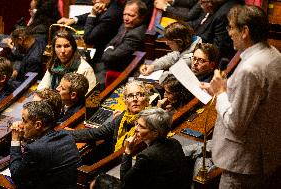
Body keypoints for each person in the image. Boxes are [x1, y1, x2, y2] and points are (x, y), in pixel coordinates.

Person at [200, 5, 281, 188]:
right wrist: (221, 89)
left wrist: (221, 93)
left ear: (244, 31)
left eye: (231, 27)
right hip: (264, 156)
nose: (229, 33)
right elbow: (258, 98)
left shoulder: (250, 69)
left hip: (243, 164)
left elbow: (236, 124)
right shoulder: (273, 54)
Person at [9, 101, 81, 189]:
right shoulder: (66, 136)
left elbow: (17, 177)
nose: (21, 124)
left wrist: (15, 140)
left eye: (24, 121)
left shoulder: (35, 149)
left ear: (38, 125)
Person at [66, 80, 150, 155]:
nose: (135, 99)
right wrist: (63, 134)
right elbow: (96, 133)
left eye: (140, 95)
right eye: (130, 96)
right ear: (125, 101)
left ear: (147, 100)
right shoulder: (123, 116)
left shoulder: (151, 121)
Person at [120, 108, 192, 189]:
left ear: (155, 133)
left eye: (141, 126)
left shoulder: (146, 156)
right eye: (137, 124)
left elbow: (125, 182)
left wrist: (128, 151)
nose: (136, 129)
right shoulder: (174, 142)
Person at [95, 0, 148, 86]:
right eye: (125, 14)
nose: (126, 18)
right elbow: (111, 42)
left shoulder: (136, 35)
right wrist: (110, 48)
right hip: (107, 64)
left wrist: (109, 49)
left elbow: (109, 57)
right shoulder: (125, 25)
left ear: (141, 17)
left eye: (131, 15)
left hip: (115, 73)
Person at [57, 0, 123, 62]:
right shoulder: (111, 5)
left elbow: (88, 39)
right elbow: (96, 12)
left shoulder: (111, 14)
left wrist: (92, 14)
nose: (96, 1)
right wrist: (74, 19)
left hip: (100, 58)